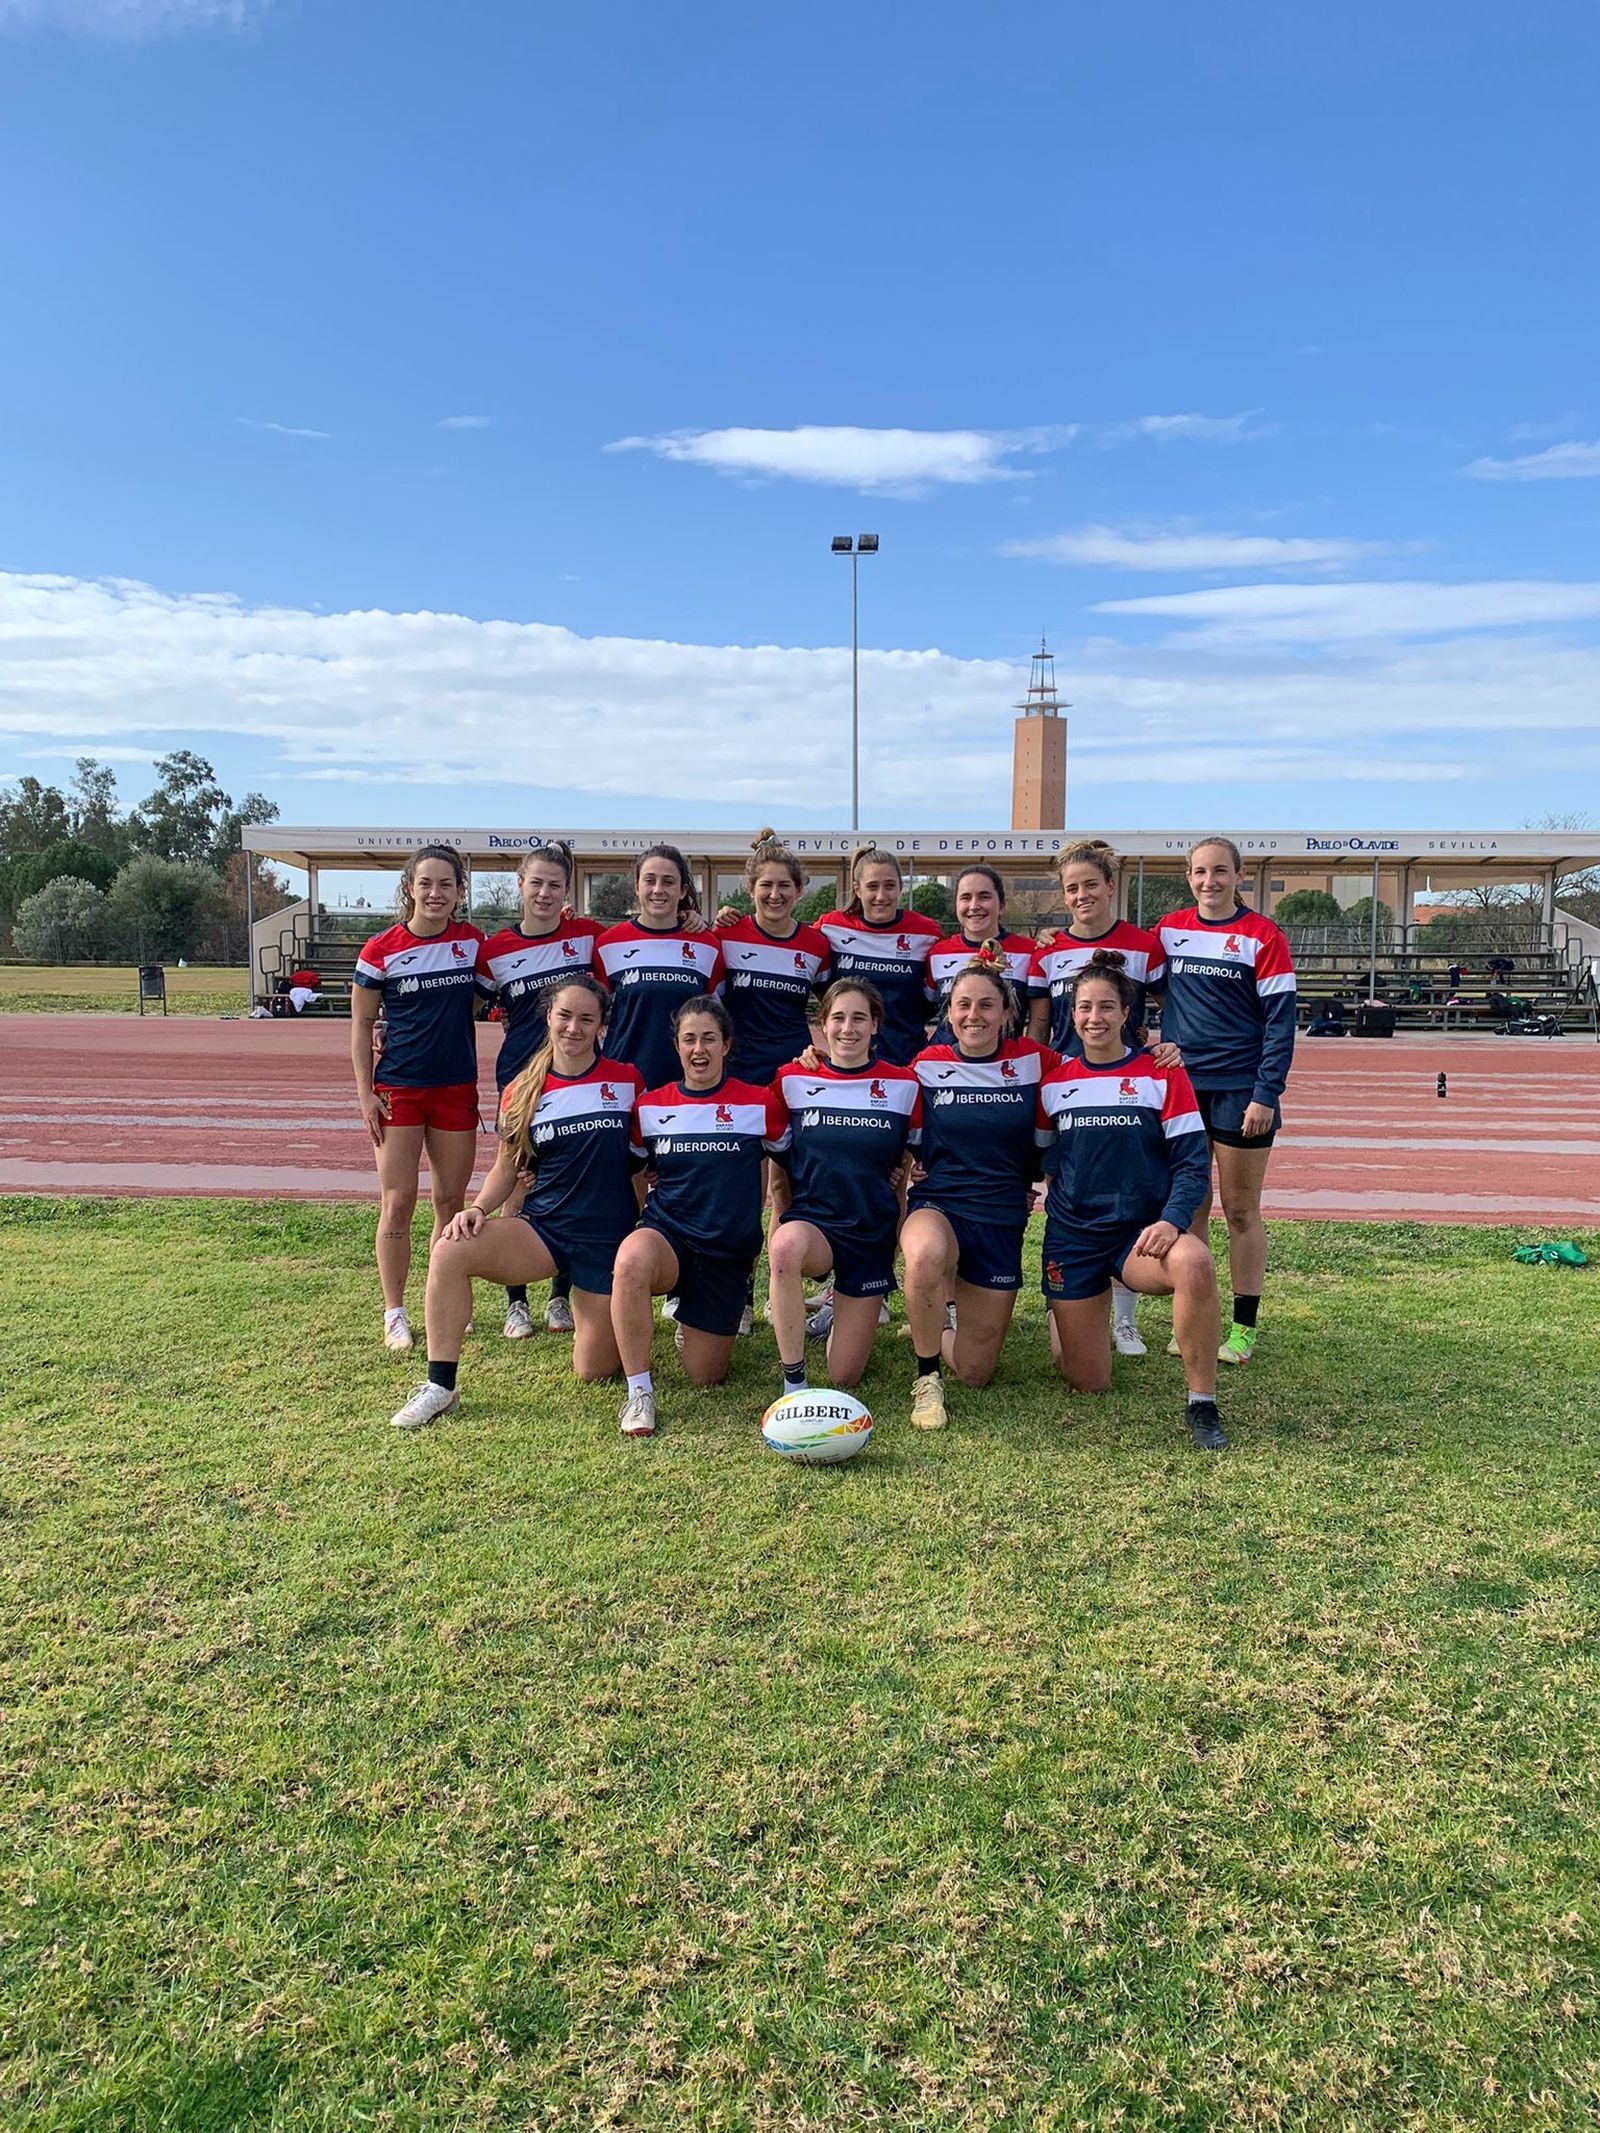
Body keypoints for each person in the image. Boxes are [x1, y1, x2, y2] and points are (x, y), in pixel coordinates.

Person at [389, 975, 643, 1429]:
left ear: (602, 1025)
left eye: (587, 1019)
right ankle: (440, 1385)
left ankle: (604, 1311)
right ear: (548, 1017)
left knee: (593, 1370)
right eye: (564, 1016)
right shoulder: (523, 1089)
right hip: (543, 1230)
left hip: (608, 1239)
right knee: (450, 1248)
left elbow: (644, 1161)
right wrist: (477, 1209)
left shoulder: (626, 1081)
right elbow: (508, 1168)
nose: (573, 1028)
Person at [1035, 951, 1226, 1451]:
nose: (1094, 1018)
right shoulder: (1053, 1083)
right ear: (1071, 1013)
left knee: (1196, 1262)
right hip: (1073, 1239)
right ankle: (1072, 1320)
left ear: (1126, 1013)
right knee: (1088, 1381)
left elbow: (1191, 1163)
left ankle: (1201, 1404)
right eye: (1083, 1008)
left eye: (1106, 1008)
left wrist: (1171, 1221)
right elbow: (1033, 1157)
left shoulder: (1162, 1074)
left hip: (1137, 1238)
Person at [611, 996, 790, 1438]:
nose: (699, 1049)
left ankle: (690, 1313)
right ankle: (639, 1391)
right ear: (676, 1046)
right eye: (689, 1039)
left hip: (724, 1253)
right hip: (668, 1235)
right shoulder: (650, 1108)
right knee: (631, 1259)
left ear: (726, 1044)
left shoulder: (758, 1103)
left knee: (705, 1376)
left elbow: (792, 1164)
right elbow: (632, 1167)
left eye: (709, 1038)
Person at [1156, 835, 1296, 1367]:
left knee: (1239, 1210)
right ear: (1188, 878)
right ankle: (1198, 1318)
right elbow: (1119, 966)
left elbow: (1281, 1023)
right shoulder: (1169, 931)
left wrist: (1266, 1093)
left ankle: (1242, 1328)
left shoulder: (1263, 936)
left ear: (1239, 877)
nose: (1208, 881)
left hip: (1242, 1092)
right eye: (1198, 872)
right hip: (1184, 1088)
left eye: (1219, 871)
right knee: (1191, 1207)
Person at [1027, 838, 1170, 1359]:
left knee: (1128, 1196)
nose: (1082, 894)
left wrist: (1167, 1045)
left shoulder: (1145, 945)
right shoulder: (1047, 952)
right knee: (1065, 1186)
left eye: (1091, 884)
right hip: (1066, 1088)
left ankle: (1125, 1319)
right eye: (1072, 888)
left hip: (1126, 1086)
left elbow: (1169, 1005)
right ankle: (1067, 1297)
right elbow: (1041, 1024)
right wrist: (1039, 1074)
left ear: (1110, 886)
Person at [901, 950, 1055, 1429]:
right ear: (948, 1012)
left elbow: (1099, 1070)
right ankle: (927, 1378)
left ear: (1007, 1013)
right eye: (963, 1005)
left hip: (1001, 1213)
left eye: (986, 1005)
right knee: (925, 1255)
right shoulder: (926, 1064)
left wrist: (1159, 1055)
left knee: (975, 1372)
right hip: (939, 1201)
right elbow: (869, 1093)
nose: (974, 1016)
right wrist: (815, 1060)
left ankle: (937, 1321)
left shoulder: (1034, 1060)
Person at [351, 844, 492, 1352]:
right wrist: (366, 1093)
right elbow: (362, 1023)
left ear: (459, 892)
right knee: (398, 1201)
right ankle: (394, 1311)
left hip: (455, 1087)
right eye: (426, 883)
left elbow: (479, 999)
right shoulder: (380, 949)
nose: (436, 893)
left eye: (446, 885)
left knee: (450, 1202)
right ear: (410, 887)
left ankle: (442, 1295)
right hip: (399, 1090)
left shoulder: (472, 944)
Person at [768, 979, 922, 1393]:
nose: (847, 1028)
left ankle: (838, 1310)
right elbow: (771, 1153)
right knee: (784, 1247)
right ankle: (793, 1381)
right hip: (815, 1225)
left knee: (844, 1376)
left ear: (875, 1025)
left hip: (869, 1235)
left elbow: (914, 1157)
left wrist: (904, 1171)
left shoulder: (904, 1086)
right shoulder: (791, 1080)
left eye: (859, 1018)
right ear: (823, 1024)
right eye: (837, 1018)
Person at [481, 841, 604, 1340]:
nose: (546, 893)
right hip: (521, 1080)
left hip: (577, 1078)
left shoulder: (589, 937)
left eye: (556, 885)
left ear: (567, 890)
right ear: (520, 885)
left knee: (571, 1184)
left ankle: (559, 1296)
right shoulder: (494, 952)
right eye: (537, 883)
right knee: (518, 1180)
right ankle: (517, 1303)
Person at [595, 844, 725, 1092]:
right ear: (636, 886)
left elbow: (718, 1016)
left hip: (687, 1085)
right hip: (623, 1084)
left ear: (683, 889)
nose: (658, 890)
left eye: (668, 882)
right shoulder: (608, 944)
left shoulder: (708, 945)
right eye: (649, 880)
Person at [714, 828, 832, 1083]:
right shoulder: (726, 935)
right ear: (750, 889)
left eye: (785, 885)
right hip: (738, 1071)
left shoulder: (816, 945)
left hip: (796, 1071)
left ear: (799, 890)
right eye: (766, 885)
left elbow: (833, 1007)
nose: (775, 895)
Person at [815, 846, 942, 1067]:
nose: (881, 896)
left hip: (907, 1061)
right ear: (857, 889)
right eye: (872, 886)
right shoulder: (830, 926)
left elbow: (933, 1000)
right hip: (849, 1063)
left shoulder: (927, 933)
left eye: (890, 886)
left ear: (901, 887)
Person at [926, 864, 1041, 1040]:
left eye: (984, 896)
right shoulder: (937, 952)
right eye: (965, 897)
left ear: (1002, 905)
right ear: (956, 905)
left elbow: (1039, 1020)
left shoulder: (1029, 952)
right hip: (946, 1064)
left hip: (1003, 1064)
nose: (974, 906)